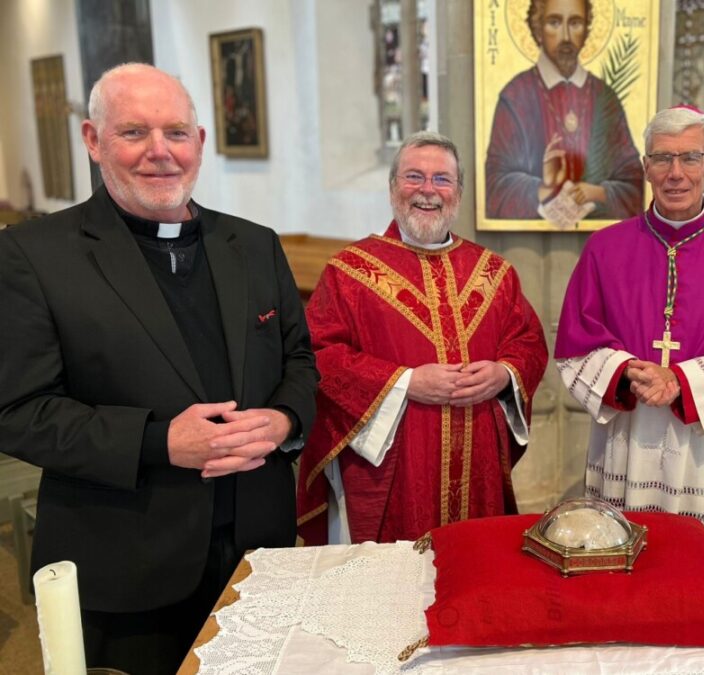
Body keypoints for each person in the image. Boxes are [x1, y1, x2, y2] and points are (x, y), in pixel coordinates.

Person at [0, 63, 318, 674]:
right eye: (133, 133)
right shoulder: (32, 257)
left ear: (200, 143)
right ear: (93, 140)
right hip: (128, 560)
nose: (159, 152)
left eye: (176, 132)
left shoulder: (253, 245)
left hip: (259, 546)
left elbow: (299, 359)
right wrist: (158, 440)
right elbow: (18, 412)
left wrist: (283, 420)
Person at [297, 131, 549, 545]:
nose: (427, 191)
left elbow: (528, 342)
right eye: (414, 177)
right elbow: (321, 356)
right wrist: (406, 382)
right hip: (394, 466)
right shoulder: (350, 273)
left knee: (475, 576)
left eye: (442, 180)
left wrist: (504, 374)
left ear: (459, 192)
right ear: (393, 187)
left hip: (477, 468)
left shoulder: (495, 273)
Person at [554, 106, 704, 527]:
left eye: (690, 158)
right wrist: (625, 371)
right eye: (662, 158)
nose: (675, 172)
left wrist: (679, 382)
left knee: (697, 566)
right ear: (646, 168)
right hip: (626, 435)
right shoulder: (604, 249)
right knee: (618, 559)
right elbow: (577, 345)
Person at [485, 0, 644, 220]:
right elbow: (494, 187)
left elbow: (635, 184)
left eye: (576, 22)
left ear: (587, 30)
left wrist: (597, 193)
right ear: (537, 28)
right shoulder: (516, 96)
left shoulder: (605, 98)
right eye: (554, 22)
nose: (566, 36)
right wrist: (545, 187)